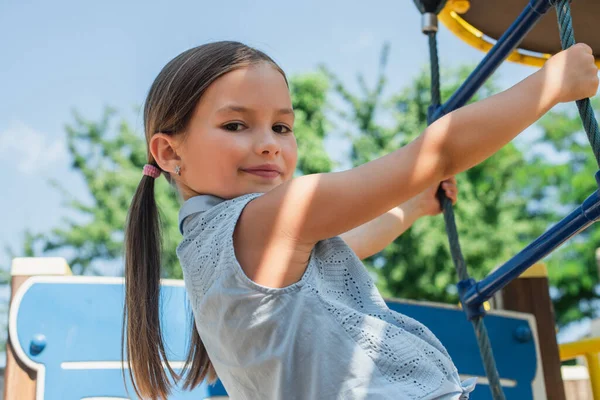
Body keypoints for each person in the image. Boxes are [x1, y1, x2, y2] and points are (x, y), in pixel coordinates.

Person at [122, 40, 598, 399]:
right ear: (169, 152)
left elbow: (351, 242)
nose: (269, 143)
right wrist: (552, 84)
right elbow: (436, 153)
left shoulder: (219, 248)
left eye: (282, 126)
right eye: (235, 125)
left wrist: (411, 208)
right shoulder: (266, 221)